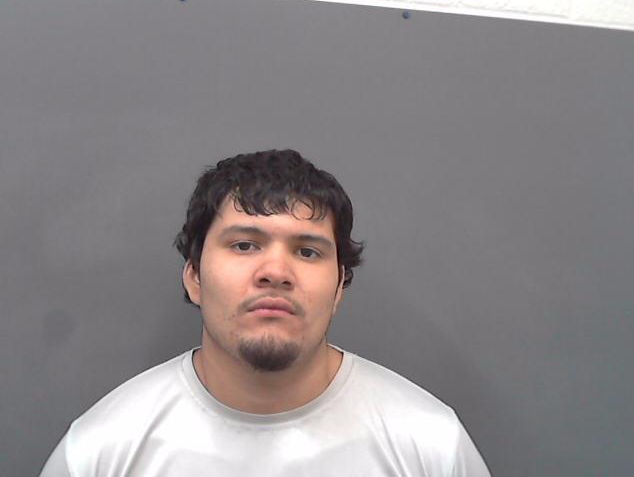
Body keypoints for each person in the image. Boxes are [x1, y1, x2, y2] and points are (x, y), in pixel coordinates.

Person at [39, 149, 491, 476]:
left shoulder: (431, 447)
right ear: (194, 277)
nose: (275, 272)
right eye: (244, 245)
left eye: (307, 252)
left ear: (339, 288)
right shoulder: (100, 453)